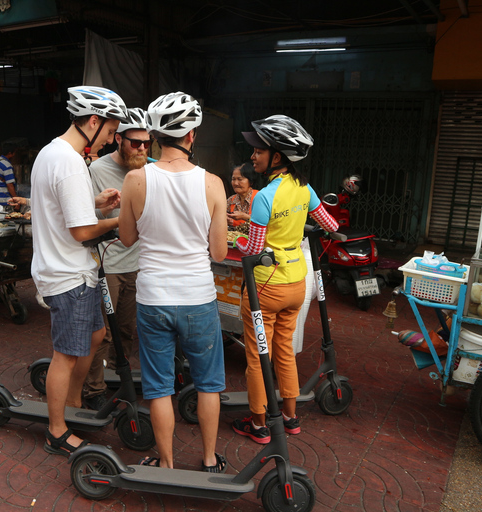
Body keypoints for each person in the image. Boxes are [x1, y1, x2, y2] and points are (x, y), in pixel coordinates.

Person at [119, 92, 228, 472]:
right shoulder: (213, 184)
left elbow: (128, 239)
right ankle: (211, 459)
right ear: (192, 135)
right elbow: (218, 253)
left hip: (153, 296)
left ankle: (165, 463)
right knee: (209, 384)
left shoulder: (135, 180)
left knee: (159, 386)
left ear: (155, 136)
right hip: (198, 296)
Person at [30, 85, 127, 457]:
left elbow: (66, 209)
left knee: (95, 334)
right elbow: (82, 231)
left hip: (67, 267)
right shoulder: (70, 163)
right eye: (109, 131)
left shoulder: (53, 153)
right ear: (92, 121)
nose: (110, 139)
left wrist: (96, 203)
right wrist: (120, 218)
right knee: (66, 354)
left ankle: (71, 405)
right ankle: (57, 430)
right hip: (67, 272)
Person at [232, 115, 338, 443]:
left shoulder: (264, 197)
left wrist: (234, 238)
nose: (252, 156)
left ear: (276, 157)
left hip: (265, 286)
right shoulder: (305, 188)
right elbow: (330, 226)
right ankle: (291, 417)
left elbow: (253, 246)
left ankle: (260, 422)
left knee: (256, 356)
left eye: (258, 151)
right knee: (283, 352)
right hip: (297, 284)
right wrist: (296, 225)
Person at [82, 107, 150, 410]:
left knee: (125, 330)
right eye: (136, 143)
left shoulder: (149, 169)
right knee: (103, 333)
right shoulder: (97, 171)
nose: (142, 149)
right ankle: (94, 389)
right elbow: (86, 217)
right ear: (119, 139)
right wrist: (106, 210)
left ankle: (114, 376)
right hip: (107, 263)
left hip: (138, 264)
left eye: (147, 144)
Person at [226, 162, 258, 234]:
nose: (236, 183)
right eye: (233, 179)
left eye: (240, 179)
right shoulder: (231, 200)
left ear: (251, 181)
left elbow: (266, 223)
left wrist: (244, 217)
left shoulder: (259, 198)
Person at [0, 141, 18, 207]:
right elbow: (10, 185)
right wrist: (16, 200)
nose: (14, 155)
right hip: (5, 200)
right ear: (10, 153)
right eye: (14, 153)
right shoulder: (7, 166)